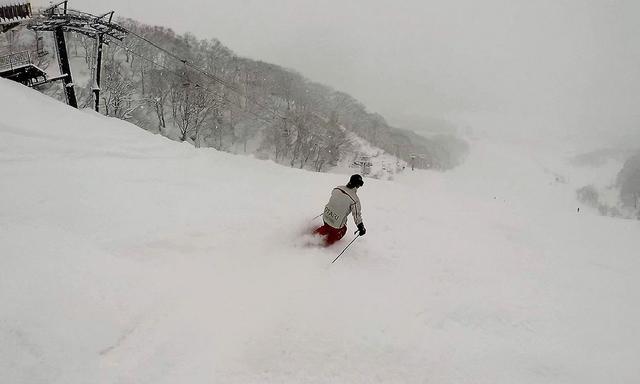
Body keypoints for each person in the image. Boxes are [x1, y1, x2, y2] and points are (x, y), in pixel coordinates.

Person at [314, 174, 366, 245]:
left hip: (325, 216)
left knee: (327, 226)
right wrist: (361, 227)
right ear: (358, 185)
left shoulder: (338, 188)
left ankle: (314, 236)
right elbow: (357, 216)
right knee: (343, 229)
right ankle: (323, 243)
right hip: (336, 224)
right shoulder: (355, 200)